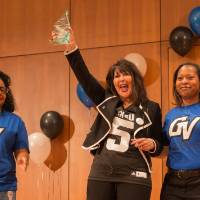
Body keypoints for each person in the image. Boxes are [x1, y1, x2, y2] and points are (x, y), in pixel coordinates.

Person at [63, 28, 163, 200]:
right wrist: (72, 49)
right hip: (101, 174)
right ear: (113, 83)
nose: (121, 79)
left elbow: (159, 143)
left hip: (135, 175)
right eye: (117, 76)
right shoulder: (105, 100)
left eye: (125, 74)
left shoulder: (151, 108)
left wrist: (152, 143)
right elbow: (85, 77)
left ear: (135, 79)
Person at [160, 63, 200, 200]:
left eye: (190, 77)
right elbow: (165, 150)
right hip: (173, 183)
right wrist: (151, 145)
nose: (184, 82)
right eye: (180, 78)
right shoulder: (170, 115)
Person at [0, 70, 29, 200]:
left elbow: (21, 149)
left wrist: (22, 157)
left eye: (2, 89)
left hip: (5, 187)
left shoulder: (15, 121)